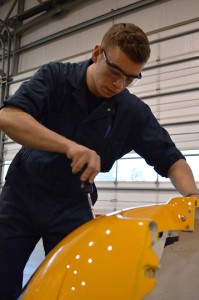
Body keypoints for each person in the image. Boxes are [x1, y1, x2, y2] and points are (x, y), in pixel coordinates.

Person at [0, 23, 198, 299]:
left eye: (130, 78)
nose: (118, 84)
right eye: (114, 71)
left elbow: (172, 161)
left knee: (76, 285)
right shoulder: (55, 77)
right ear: (97, 53)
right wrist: (69, 147)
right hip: (22, 195)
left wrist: (193, 199)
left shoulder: (132, 113)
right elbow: (9, 117)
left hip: (73, 204)